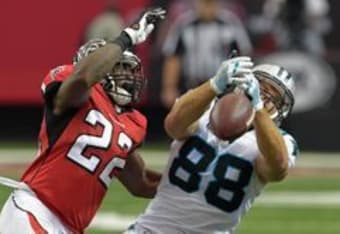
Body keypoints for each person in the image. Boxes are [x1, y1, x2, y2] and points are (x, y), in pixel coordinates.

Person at [0, 7, 166, 234]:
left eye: (130, 70)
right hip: (35, 209)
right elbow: (83, 78)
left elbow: (142, 182)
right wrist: (127, 37)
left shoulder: (132, 122)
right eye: (121, 67)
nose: (128, 76)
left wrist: (192, 186)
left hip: (69, 227)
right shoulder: (75, 88)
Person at [127, 56, 299, 233]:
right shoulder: (204, 108)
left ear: (282, 110)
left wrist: (258, 107)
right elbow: (173, 126)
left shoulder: (281, 141)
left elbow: (277, 169)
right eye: (261, 86)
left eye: (275, 96)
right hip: (151, 229)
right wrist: (214, 84)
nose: (265, 96)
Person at [161, 0, 252, 108]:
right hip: (192, 87)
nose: (208, 8)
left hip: (224, 89)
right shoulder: (184, 24)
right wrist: (169, 87)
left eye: (211, 3)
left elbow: (243, 55)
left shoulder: (230, 23)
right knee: (191, 122)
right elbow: (173, 57)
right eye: (205, 3)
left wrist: (243, 86)